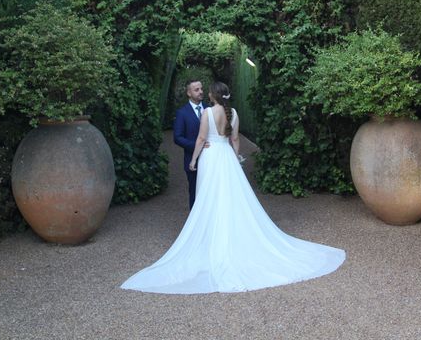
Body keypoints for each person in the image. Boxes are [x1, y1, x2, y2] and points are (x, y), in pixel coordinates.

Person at [121, 81, 346, 294]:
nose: (205, 93)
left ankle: (212, 238)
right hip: (227, 157)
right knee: (232, 197)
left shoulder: (208, 113)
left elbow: (200, 139)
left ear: (213, 95)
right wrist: (236, 156)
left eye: (207, 91)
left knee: (209, 197)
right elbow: (235, 140)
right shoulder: (234, 113)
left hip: (210, 158)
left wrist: (193, 161)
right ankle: (233, 235)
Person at [173, 79, 210, 209]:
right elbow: (177, 137)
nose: (200, 92)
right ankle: (195, 225)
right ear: (189, 93)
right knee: (195, 192)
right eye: (196, 90)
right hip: (192, 159)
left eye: (201, 89)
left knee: (212, 191)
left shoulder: (210, 109)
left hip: (212, 158)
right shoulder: (182, 113)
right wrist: (196, 145)